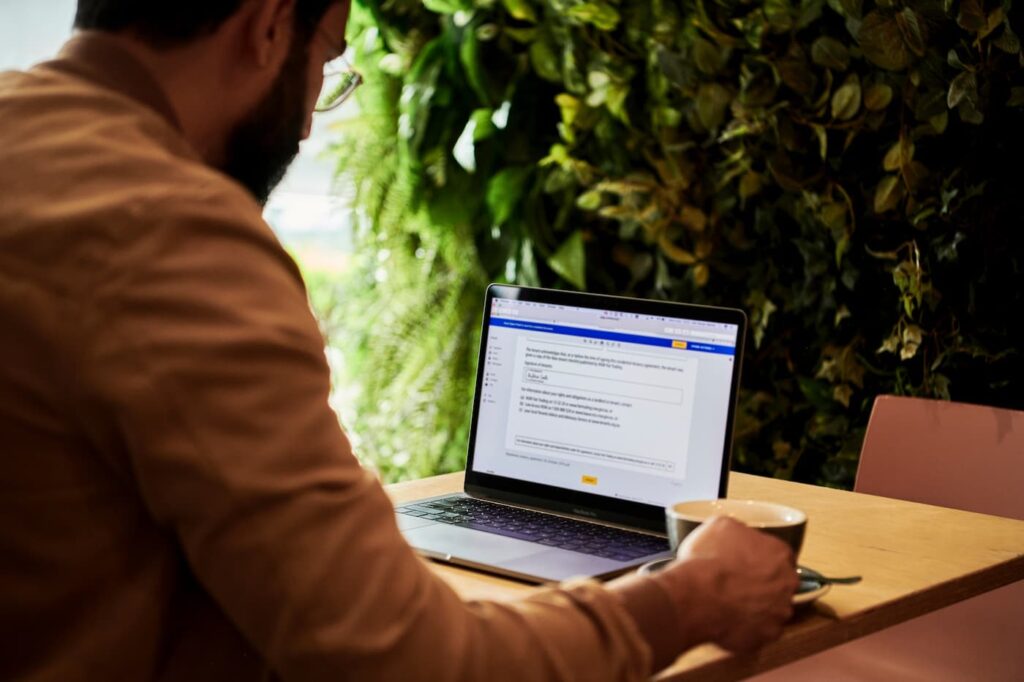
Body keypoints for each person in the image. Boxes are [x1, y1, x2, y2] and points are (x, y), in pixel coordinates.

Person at [0, 1, 798, 680]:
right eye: (328, 64)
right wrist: (686, 599)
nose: (311, 119)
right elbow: (408, 663)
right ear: (269, 28)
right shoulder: (167, 229)